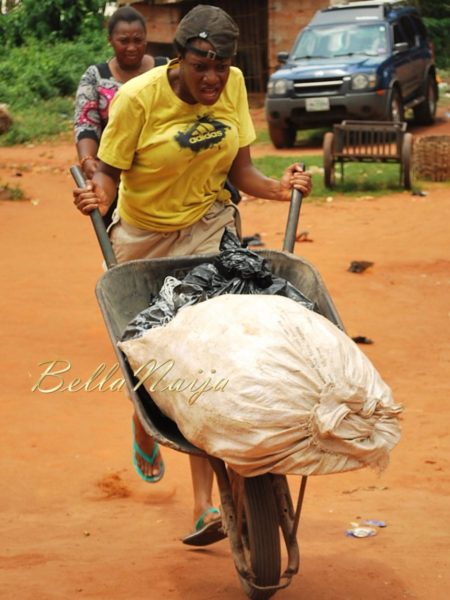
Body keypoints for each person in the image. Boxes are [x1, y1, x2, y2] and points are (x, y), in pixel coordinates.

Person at [73, 4, 312, 546]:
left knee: (210, 358)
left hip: (208, 229)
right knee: (157, 359)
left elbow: (241, 170)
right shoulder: (138, 99)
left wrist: (281, 187)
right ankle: (145, 407)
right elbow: (110, 176)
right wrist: (96, 196)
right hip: (144, 238)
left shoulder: (230, 89)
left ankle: (206, 507)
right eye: (201, 65)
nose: (211, 78)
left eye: (221, 66)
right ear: (177, 58)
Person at [74, 6, 167, 224]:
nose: (132, 47)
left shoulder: (165, 70)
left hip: (163, 182)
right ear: (110, 40)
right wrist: (88, 160)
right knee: (120, 250)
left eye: (138, 40)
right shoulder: (96, 77)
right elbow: (86, 123)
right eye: (124, 41)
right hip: (113, 181)